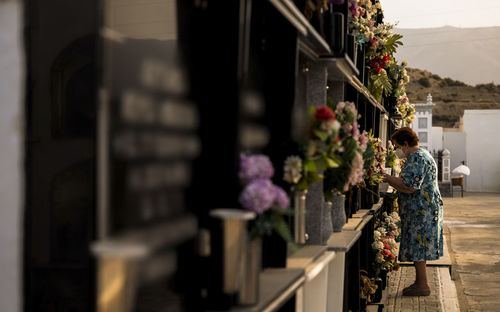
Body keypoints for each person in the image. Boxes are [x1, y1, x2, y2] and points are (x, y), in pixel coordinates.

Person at [383, 127, 443, 296]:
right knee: (419, 247)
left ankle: (423, 285)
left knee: (419, 247)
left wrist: (387, 178)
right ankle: (420, 282)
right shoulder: (422, 155)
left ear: (406, 143)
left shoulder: (417, 158)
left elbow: (409, 186)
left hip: (421, 211)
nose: (397, 151)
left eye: (397, 146)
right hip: (423, 209)